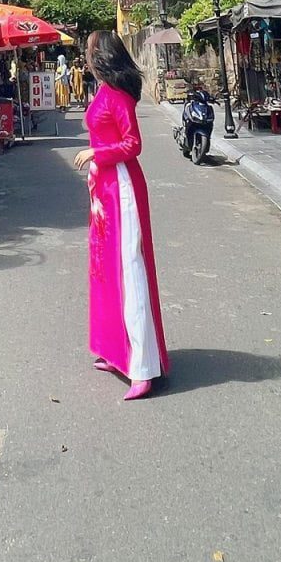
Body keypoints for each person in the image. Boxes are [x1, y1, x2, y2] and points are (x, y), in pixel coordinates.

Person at [73, 29, 169, 400]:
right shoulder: (102, 91)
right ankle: (116, 351)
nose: (85, 55)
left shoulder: (118, 96)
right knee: (105, 269)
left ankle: (142, 366)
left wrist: (97, 154)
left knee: (129, 270)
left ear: (101, 55)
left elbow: (133, 144)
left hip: (122, 189)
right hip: (104, 191)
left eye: (89, 50)